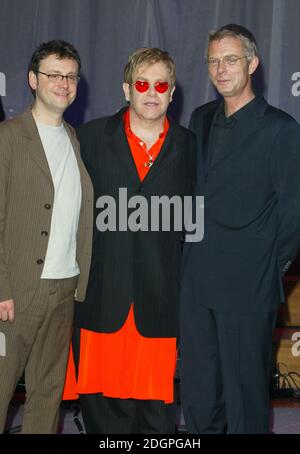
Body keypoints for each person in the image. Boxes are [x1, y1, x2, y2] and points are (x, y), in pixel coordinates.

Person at [63, 47, 196, 434]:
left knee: (158, 420)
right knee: (104, 418)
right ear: (126, 89)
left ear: (172, 92)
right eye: (142, 83)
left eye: (160, 84)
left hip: (160, 303)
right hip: (102, 301)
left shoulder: (192, 146)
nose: (151, 92)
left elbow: (197, 223)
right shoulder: (88, 138)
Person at [180, 24, 300, 434]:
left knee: (244, 395)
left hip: (247, 284)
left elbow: (293, 213)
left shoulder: (280, 129)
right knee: (198, 391)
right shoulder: (200, 118)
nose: (221, 69)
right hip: (196, 280)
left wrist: (269, 268)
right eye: (213, 61)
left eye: (230, 59)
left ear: (252, 63)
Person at [0, 40, 93, 434]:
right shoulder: (7, 137)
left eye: (70, 76)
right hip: (14, 292)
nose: (63, 83)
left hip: (63, 287)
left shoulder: (74, 137)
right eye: (54, 74)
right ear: (33, 80)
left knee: (48, 393)